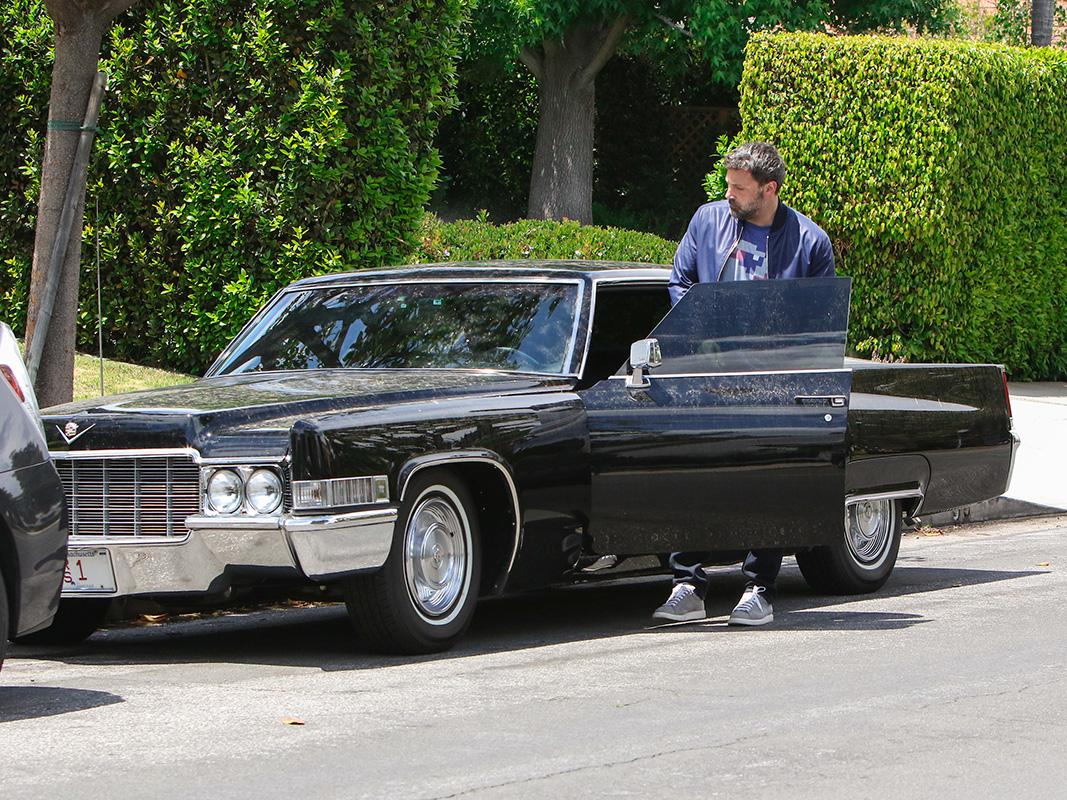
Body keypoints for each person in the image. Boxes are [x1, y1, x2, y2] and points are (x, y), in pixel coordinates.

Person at [652, 140, 835, 627]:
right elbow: (680, 280)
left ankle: (759, 589)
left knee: (766, 479)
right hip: (707, 371)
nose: (728, 193)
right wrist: (703, 329)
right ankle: (687, 584)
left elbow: (819, 318)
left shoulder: (810, 243)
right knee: (691, 472)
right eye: (727, 184)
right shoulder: (707, 221)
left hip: (772, 379)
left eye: (739, 187)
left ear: (768, 189)